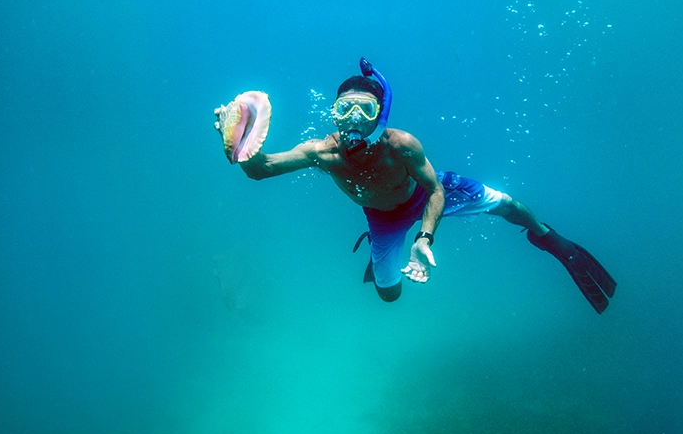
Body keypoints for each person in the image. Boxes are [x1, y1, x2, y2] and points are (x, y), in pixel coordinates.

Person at [219, 59, 616, 313]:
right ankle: (379, 258)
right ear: (334, 114)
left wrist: (425, 238)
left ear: (380, 115)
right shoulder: (323, 153)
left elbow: (437, 190)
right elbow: (261, 169)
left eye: (365, 109)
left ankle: (548, 238)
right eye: (345, 110)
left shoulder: (401, 145)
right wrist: (237, 141)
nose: (354, 119)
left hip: (425, 195)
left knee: (509, 205)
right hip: (383, 219)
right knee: (389, 296)